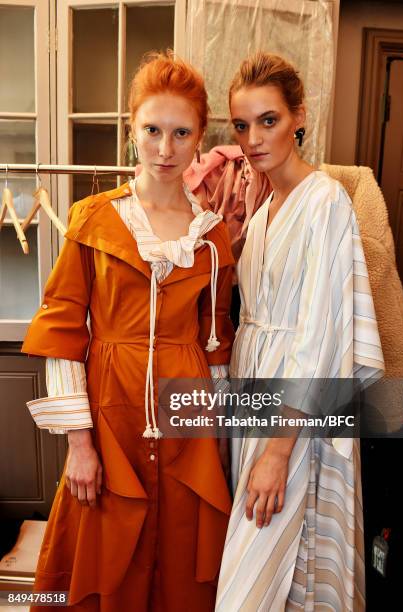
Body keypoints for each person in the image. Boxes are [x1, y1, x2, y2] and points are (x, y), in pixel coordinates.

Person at [22, 52, 234, 611]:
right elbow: (64, 333)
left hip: (189, 421)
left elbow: (220, 350)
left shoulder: (215, 239)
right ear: (131, 130)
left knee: (184, 565)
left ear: (199, 137)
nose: (166, 149)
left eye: (181, 132)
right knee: (106, 558)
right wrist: (80, 444)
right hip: (111, 415)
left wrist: (225, 445)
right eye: (153, 130)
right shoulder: (93, 217)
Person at [215, 52, 385, 612]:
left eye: (269, 120)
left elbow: (318, 334)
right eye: (242, 125)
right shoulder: (264, 212)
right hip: (257, 403)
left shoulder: (325, 201)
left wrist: (278, 450)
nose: (253, 138)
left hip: (297, 417)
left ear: (299, 118)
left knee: (262, 580)